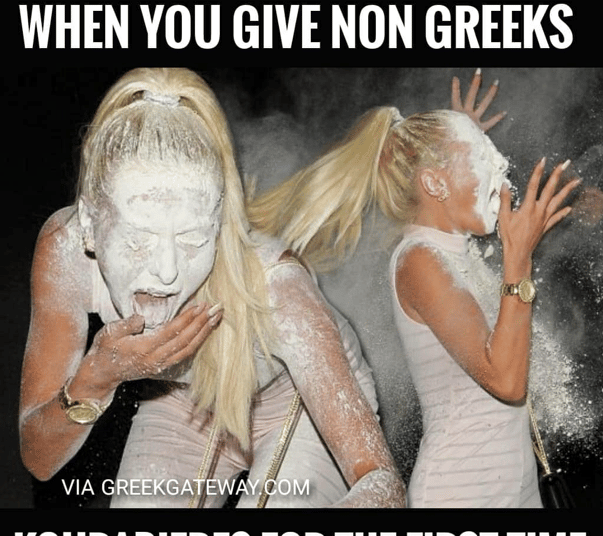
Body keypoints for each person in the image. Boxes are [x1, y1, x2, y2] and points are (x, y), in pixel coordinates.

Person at [19, 67, 405, 508]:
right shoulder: (66, 251)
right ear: (90, 223)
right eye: (139, 239)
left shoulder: (278, 288)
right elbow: (39, 459)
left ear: (217, 223)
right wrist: (97, 377)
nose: (167, 271)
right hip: (184, 402)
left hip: (298, 404)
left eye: (192, 240)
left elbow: (383, 484)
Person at [247, 69, 581, 508]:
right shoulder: (418, 260)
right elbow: (505, 380)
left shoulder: (455, 249)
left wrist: (459, 140)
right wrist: (518, 260)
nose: (501, 165)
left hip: (513, 493)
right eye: (484, 157)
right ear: (434, 183)